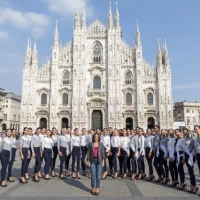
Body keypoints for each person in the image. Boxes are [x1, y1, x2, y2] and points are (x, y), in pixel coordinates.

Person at [182, 128, 198, 194]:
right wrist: (183, 157)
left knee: (191, 171)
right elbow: (184, 150)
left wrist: (193, 157)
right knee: (189, 171)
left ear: (188, 132)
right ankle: (192, 185)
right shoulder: (184, 139)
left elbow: (195, 148)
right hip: (186, 155)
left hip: (191, 156)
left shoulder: (192, 139)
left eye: (186, 132)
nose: (185, 133)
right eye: (184, 132)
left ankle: (194, 186)